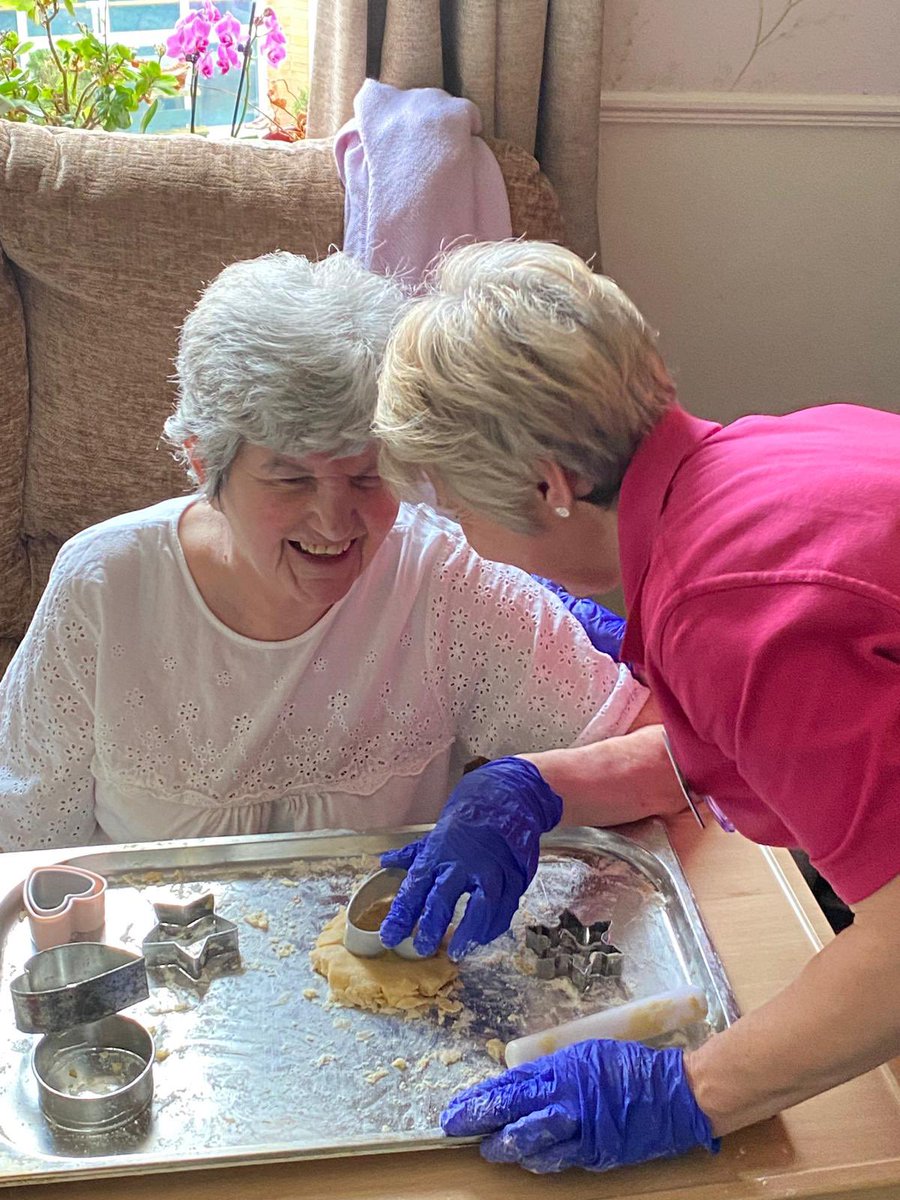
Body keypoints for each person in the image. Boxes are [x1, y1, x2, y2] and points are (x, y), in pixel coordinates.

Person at [373, 239, 900, 1174]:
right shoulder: (755, 456)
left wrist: (689, 1091)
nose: (465, 538)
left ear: (548, 487)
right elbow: (763, 741)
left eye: (458, 513)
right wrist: (532, 784)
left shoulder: (725, 606)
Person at [0, 249, 679, 853]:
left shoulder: (442, 580)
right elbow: (20, 840)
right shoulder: (103, 586)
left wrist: (532, 787)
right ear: (205, 463)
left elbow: (674, 755)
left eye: (365, 476)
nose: (335, 519)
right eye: (290, 478)